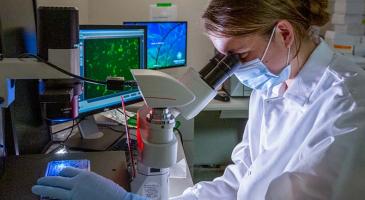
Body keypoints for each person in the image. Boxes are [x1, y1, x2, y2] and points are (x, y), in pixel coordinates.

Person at [32, 0, 365, 199]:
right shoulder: (271, 90)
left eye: (238, 55)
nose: (231, 70)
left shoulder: (349, 107)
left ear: (284, 33)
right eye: (223, 58)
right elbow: (238, 185)